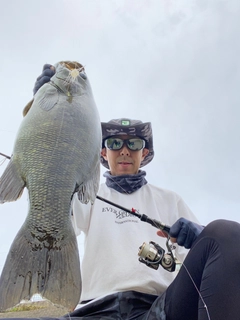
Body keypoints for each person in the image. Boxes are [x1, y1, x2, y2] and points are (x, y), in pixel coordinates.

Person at [33, 65, 240, 320]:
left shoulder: (170, 200)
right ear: (102, 153)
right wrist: (47, 114)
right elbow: (49, 210)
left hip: (159, 309)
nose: (124, 150)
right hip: (93, 310)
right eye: (114, 143)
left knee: (226, 233)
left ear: (144, 153)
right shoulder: (85, 194)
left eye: (134, 143)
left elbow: (213, 257)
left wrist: (200, 235)